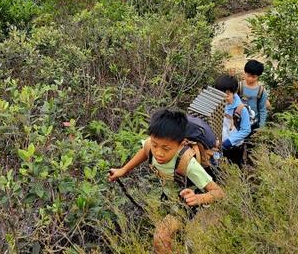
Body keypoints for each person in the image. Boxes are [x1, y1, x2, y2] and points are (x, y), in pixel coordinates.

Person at [108, 108, 224, 253]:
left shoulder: (188, 163)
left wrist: (198, 198)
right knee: (170, 236)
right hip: (168, 194)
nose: (158, 153)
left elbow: (219, 192)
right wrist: (123, 170)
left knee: (161, 238)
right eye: (155, 145)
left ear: (181, 144)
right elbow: (145, 151)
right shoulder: (151, 145)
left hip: (185, 201)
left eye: (166, 148)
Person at [216, 74, 252, 166]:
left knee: (235, 168)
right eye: (221, 94)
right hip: (219, 146)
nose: (224, 97)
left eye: (227, 94)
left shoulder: (241, 109)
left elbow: (246, 130)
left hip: (234, 147)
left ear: (234, 92)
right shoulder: (217, 104)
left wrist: (229, 142)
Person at [238, 59, 270, 131]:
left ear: (258, 76)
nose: (250, 79)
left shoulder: (261, 91)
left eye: (253, 77)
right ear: (245, 72)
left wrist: (261, 127)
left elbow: (262, 109)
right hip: (238, 122)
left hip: (253, 124)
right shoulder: (238, 86)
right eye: (248, 76)